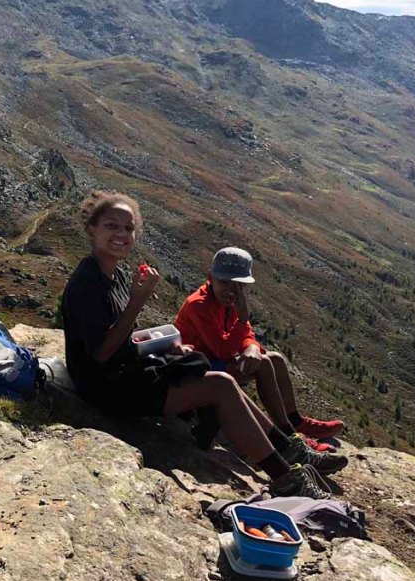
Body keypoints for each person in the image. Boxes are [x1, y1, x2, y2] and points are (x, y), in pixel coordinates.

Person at [60, 191, 346, 500]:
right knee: (220, 385)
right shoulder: (87, 282)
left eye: (128, 228)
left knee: (220, 381)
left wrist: (163, 345)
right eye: (111, 226)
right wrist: (137, 302)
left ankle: (289, 449)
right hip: (105, 387)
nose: (121, 234)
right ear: (92, 229)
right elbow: (101, 353)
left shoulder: (113, 274)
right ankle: (286, 477)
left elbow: (118, 336)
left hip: (123, 371)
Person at [174, 247, 345, 451]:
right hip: (196, 370)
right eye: (224, 282)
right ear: (210, 278)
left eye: (239, 285)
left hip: (215, 363)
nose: (231, 290)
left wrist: (252, 347)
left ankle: (295, 421)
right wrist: (243, 319)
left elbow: (246, 334)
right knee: (263, 364)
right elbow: (222, 350)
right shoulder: (199, 305)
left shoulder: (228, 301)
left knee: (276, 359)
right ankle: (288, 436)